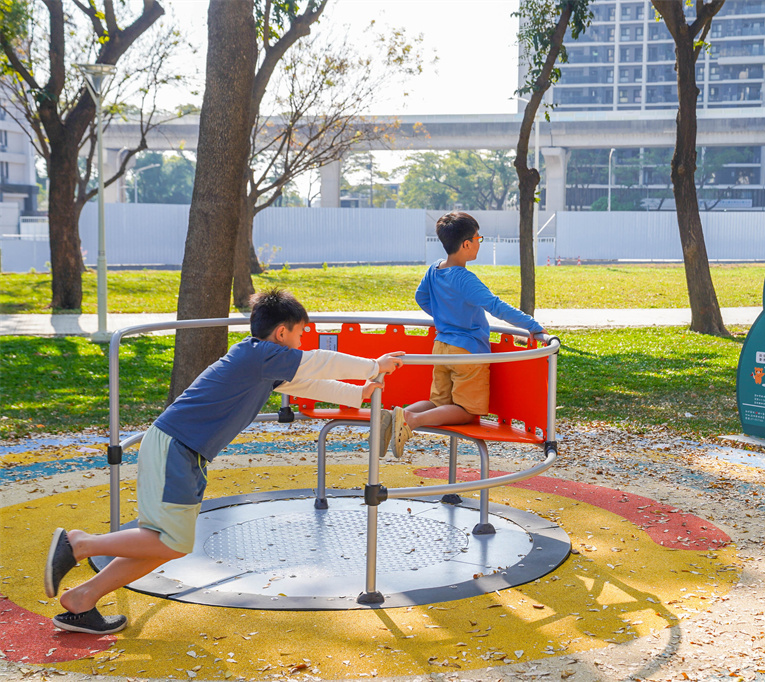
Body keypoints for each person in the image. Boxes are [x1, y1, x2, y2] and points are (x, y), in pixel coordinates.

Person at [43, 288, 404, 634]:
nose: (301, 342)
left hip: (184, 449)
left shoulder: (260, 361)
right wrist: (374, 365)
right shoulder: (259, 355)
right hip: (177, 447)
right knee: (172, 543)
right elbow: (318, 362)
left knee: (161, 545)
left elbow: (307, 384)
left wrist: (358, 393)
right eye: (300, 334)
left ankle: (82, 599)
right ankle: (79, 544)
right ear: (281, 333)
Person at [391, 211, 545, 458]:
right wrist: (532, 325)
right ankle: (410, 420)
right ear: (466, 244)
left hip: (441, 347)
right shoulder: (464, 278)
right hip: (467, 352)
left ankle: (396, 417)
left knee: (439, 404)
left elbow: (421, 297)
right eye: (478, 238)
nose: (479, 243)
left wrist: (443, 316)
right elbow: (496, 307)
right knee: (465, 411)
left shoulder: (434, 269)